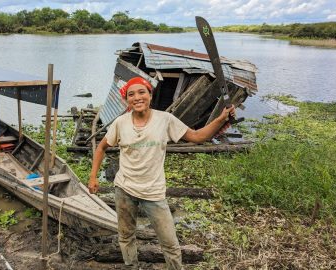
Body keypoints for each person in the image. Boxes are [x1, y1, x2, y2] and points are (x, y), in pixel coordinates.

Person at [88, 77, 235, 269]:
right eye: (131, 94)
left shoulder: (165, 120)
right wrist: (92, 177)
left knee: (170, 243)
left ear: (150, 94)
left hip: (154, 193)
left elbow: (198, 136)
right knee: (125, 236)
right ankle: (131, 266)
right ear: (126, 100)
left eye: (142, 92)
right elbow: (101, 147)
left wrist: (220, 119)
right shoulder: (120, 123)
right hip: (124, 189)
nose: (137, 97)